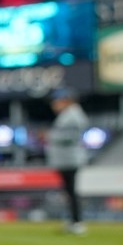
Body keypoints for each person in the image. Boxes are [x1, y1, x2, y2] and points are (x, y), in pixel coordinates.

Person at [45, 88, 90, 235]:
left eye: (56, 101)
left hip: (70, 159)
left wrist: (49, 136)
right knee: (69, 193)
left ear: (65, 100)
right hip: (65, 159)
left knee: (71, 192)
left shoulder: (73, 115)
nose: (54, 105)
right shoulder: (69, 114)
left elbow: (70, 137)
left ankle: (77, 222)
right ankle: (74, 221)